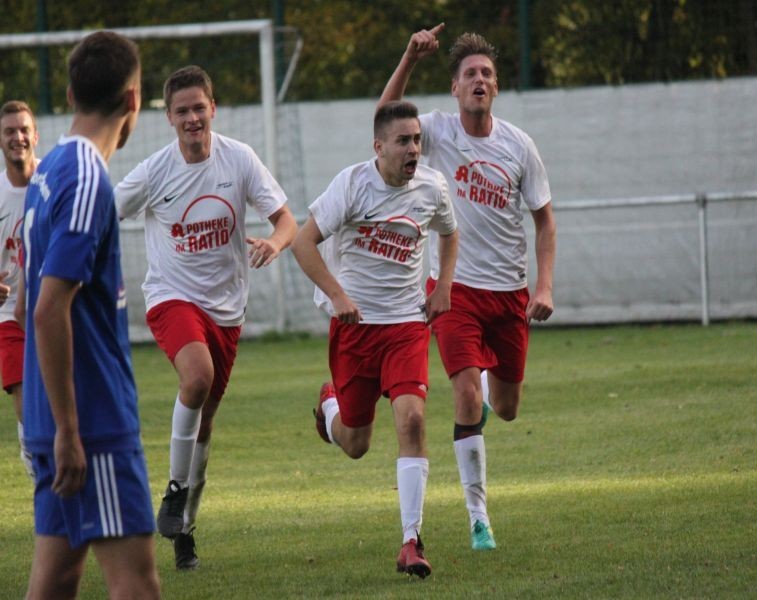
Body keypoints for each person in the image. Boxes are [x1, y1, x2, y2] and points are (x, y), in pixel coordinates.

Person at [378, 26, 557, 551]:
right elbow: (385, 118)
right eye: (469, 74)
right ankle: (479, 518)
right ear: (454, 88)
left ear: (495, 89)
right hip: (453, 290)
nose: (479, 81)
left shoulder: (519, 145)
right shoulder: (433, 131)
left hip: (509, 295)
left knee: (505, 407)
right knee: (463, 391)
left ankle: (477, 403)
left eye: (487, 75)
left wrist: (542, 286)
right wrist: (409, 54)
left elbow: (544, 221)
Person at [114, 65, 297, 570]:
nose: (193, 118)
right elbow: (104, 213)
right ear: (169, 118)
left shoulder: (239, 159)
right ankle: (174, 488)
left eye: (200, 108)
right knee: (196, 377)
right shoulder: (154, 171)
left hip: (226, 309)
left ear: (212, 109)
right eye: (182, 111)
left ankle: (185, 529)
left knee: (205, 426)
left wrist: (274, 244)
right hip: (171, 297)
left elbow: (286, 220)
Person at [292, 100, 458, 579]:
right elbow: (304, 244)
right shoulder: (352, 184)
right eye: (403, 141)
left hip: (407, 325)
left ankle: (411, 541)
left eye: (417, 140)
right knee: (356, 443)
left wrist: (443, 285)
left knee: (411, 421)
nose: (413, 150)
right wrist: (338, 295)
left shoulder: (432, 187)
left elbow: (450, 233)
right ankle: (330, 409)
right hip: (356, 330)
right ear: (378, 147)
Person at [20, 31, 160, 599]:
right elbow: (50, 309)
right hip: (91, 423)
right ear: (133, 101)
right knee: (138, 586)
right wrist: (71, 432)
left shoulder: (50, 166)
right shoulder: (85, 178)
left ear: (73, 91)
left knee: (56, 582)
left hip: (53, 417)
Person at [0, 100, 38, 479]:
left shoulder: (54, 185)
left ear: (35, 135)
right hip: (9, 315)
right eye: (10, 131)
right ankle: (38, 465)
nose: (18, 137)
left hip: (54, 311)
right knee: (30, 411)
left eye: (24, 129)